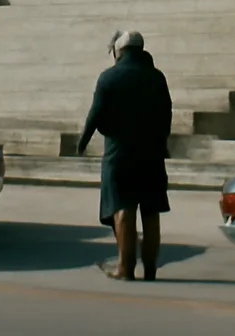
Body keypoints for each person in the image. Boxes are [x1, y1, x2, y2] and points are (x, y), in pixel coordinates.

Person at [77, 30, 172, 281]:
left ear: (119, 52)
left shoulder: (109, 77)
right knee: (151, 212)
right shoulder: (157, 77)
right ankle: (150, 270)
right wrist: (162, 143)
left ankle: (125, 268)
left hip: (119, 154)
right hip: (152, 153)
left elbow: (95, 114)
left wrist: (82, 142)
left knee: (123, 209)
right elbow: (166, 114)